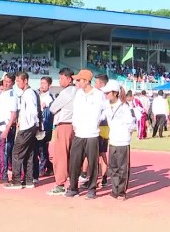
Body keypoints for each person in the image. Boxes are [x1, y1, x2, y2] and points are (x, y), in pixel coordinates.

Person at [65, 69, 106, 199]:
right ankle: (73, 187)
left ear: (87, 81)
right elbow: (75, 111)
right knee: (74, 162)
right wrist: (75, 124)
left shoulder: (99, 95)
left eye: (79, 80)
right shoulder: (79, 94)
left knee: (93, 163)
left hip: (92, 134)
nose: (77, 82)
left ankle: (92, 189)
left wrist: (97, 120)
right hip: (79, 133)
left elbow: (105, 110)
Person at [5, 72, 40, 190]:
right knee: (29, 153)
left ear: (25, 81)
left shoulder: (29, 94)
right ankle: (28, 181)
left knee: (16, 153)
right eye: (17, 81)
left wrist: (34, 124)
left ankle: (16, 181)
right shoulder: (27, 93)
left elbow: (33, 111)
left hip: (27, 127)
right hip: (29, 126)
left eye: (19, 81)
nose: (17, 83)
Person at [102, 80, 136, 200]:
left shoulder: (124, 106)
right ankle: (114, 189)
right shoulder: (106, 105)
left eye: (108, 93)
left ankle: (121, 192)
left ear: (115, 93)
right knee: (113, 167)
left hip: (123, 140)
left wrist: (126, 134)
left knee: (123, 168)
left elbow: (131, 124)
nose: (106, 95)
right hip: (113, 140)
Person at [45, 69, 76, 195]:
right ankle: (72, 183)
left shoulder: (67, 92)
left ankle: (60, 184)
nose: (59, 81)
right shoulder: (77, 91)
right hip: (73, 126)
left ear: (69, 79)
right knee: (72, 156)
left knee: (60, 156)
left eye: (62, 78)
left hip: (64, 125)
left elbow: (52, 108)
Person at [0, 74, 17, 185]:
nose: (6, 83)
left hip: (6, 127)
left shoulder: (12, 95)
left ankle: (3, 176)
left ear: (13, 83)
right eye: (5, 81)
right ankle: (2, 174)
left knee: (4, 152)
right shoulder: (2, 94)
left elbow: (13, 114)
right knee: (0, 151)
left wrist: (7, 129)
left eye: (8, 82)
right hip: (0, 126)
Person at [37, 77, 54, 177]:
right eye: (41, 83)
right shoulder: (37, 95)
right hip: (37, 126)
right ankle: (50, 166)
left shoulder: (49, 98)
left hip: (45, 127)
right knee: (39, 149)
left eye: (44, 83)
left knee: (42, 148)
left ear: (49, 85)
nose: (42, 85)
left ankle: (42, 169)